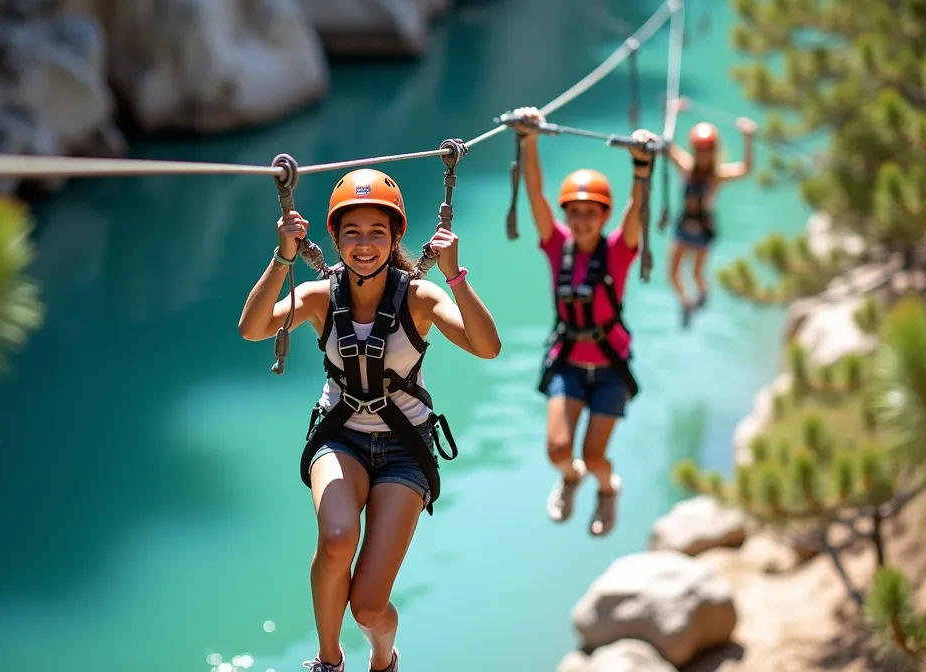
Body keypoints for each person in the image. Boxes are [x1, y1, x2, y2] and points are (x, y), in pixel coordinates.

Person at [237, 168, 501, 672]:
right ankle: (329, 660)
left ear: (395, 237)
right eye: (352, 232)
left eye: (377, 232)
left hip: (405, 448)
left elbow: (487, 347)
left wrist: (455, 276)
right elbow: (253, 328)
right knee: (337, 538)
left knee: (369, 607)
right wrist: (282, 257)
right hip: (341, 437)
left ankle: (383, 658)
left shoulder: (419, 298)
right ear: (334, 238)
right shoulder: (321, 295)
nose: (364, 244)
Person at [506, 106, 657, 538]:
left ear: (605, 216)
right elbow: (536, 197)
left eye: (591, 212)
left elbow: (637, 208)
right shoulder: (557, 245)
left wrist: (641, 166)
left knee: (595, 458)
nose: (582, 221)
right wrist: (529, 140)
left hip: (609, 367)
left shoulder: (619, 251)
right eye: (574, 212)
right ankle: (569, 478)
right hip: (569, 361)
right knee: (558, 451)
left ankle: (607, 488)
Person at [662, 105, 757, 328]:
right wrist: (673, 111)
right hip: (683, 226)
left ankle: (703, 294)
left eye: (707, 150)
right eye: (699, 150)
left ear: (714, 151)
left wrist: (748, 138)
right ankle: (686, 302)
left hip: (703, 230)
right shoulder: (686, 167)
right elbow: (667, 145)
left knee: (696, 273)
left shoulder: (717, 175)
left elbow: (746, 169)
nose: (703, 154)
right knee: (672, 273)